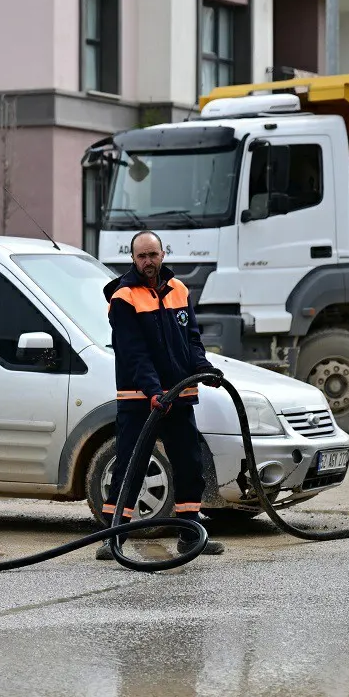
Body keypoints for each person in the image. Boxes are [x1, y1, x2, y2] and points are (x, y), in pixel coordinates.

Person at [99, 230, 226, 558]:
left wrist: (204, 370)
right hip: (140, 399)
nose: (148, 262)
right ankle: (113, 538)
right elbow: (133, 352)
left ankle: (189, 533)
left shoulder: (179, 290)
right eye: (141, 256)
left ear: (162, 255)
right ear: (133, 259)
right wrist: (154, 391)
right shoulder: (124, 297)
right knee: (131, 465)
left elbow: (192, 339)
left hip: (179, 395)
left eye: (153, 255)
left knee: (189, 464)